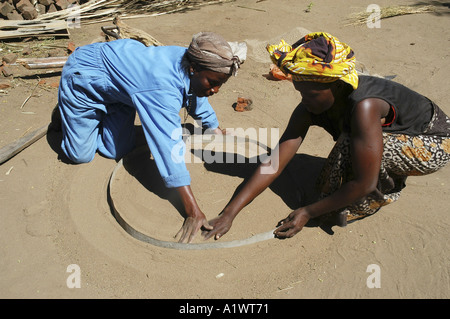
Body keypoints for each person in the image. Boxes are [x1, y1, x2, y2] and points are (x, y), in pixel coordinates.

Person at [203, 32, 450, 240]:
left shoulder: (364, 107)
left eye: (310, 95)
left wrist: (308, 212)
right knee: (353, 147)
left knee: (352, 148)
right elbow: (274, 162)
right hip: (393, 133)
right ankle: (371, 169)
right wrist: (230, 213)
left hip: (434, 142)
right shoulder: (310, 106)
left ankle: (384, 191)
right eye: (300, 93)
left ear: (338, 87)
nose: (304, 101)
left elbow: (364, 183)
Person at [56, 32, 247, 243]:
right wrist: (193, 210)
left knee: (115, 151)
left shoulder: (191, 63)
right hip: (86, 78)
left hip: (121, 94)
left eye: (221, 84)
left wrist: (213, 128)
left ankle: (112, 104)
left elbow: (196, 94)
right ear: (194, 68)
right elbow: (168, 146)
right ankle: (68, 112)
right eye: (212, 82)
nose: (216, 90)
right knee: (80, 154)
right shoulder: (161, 86)